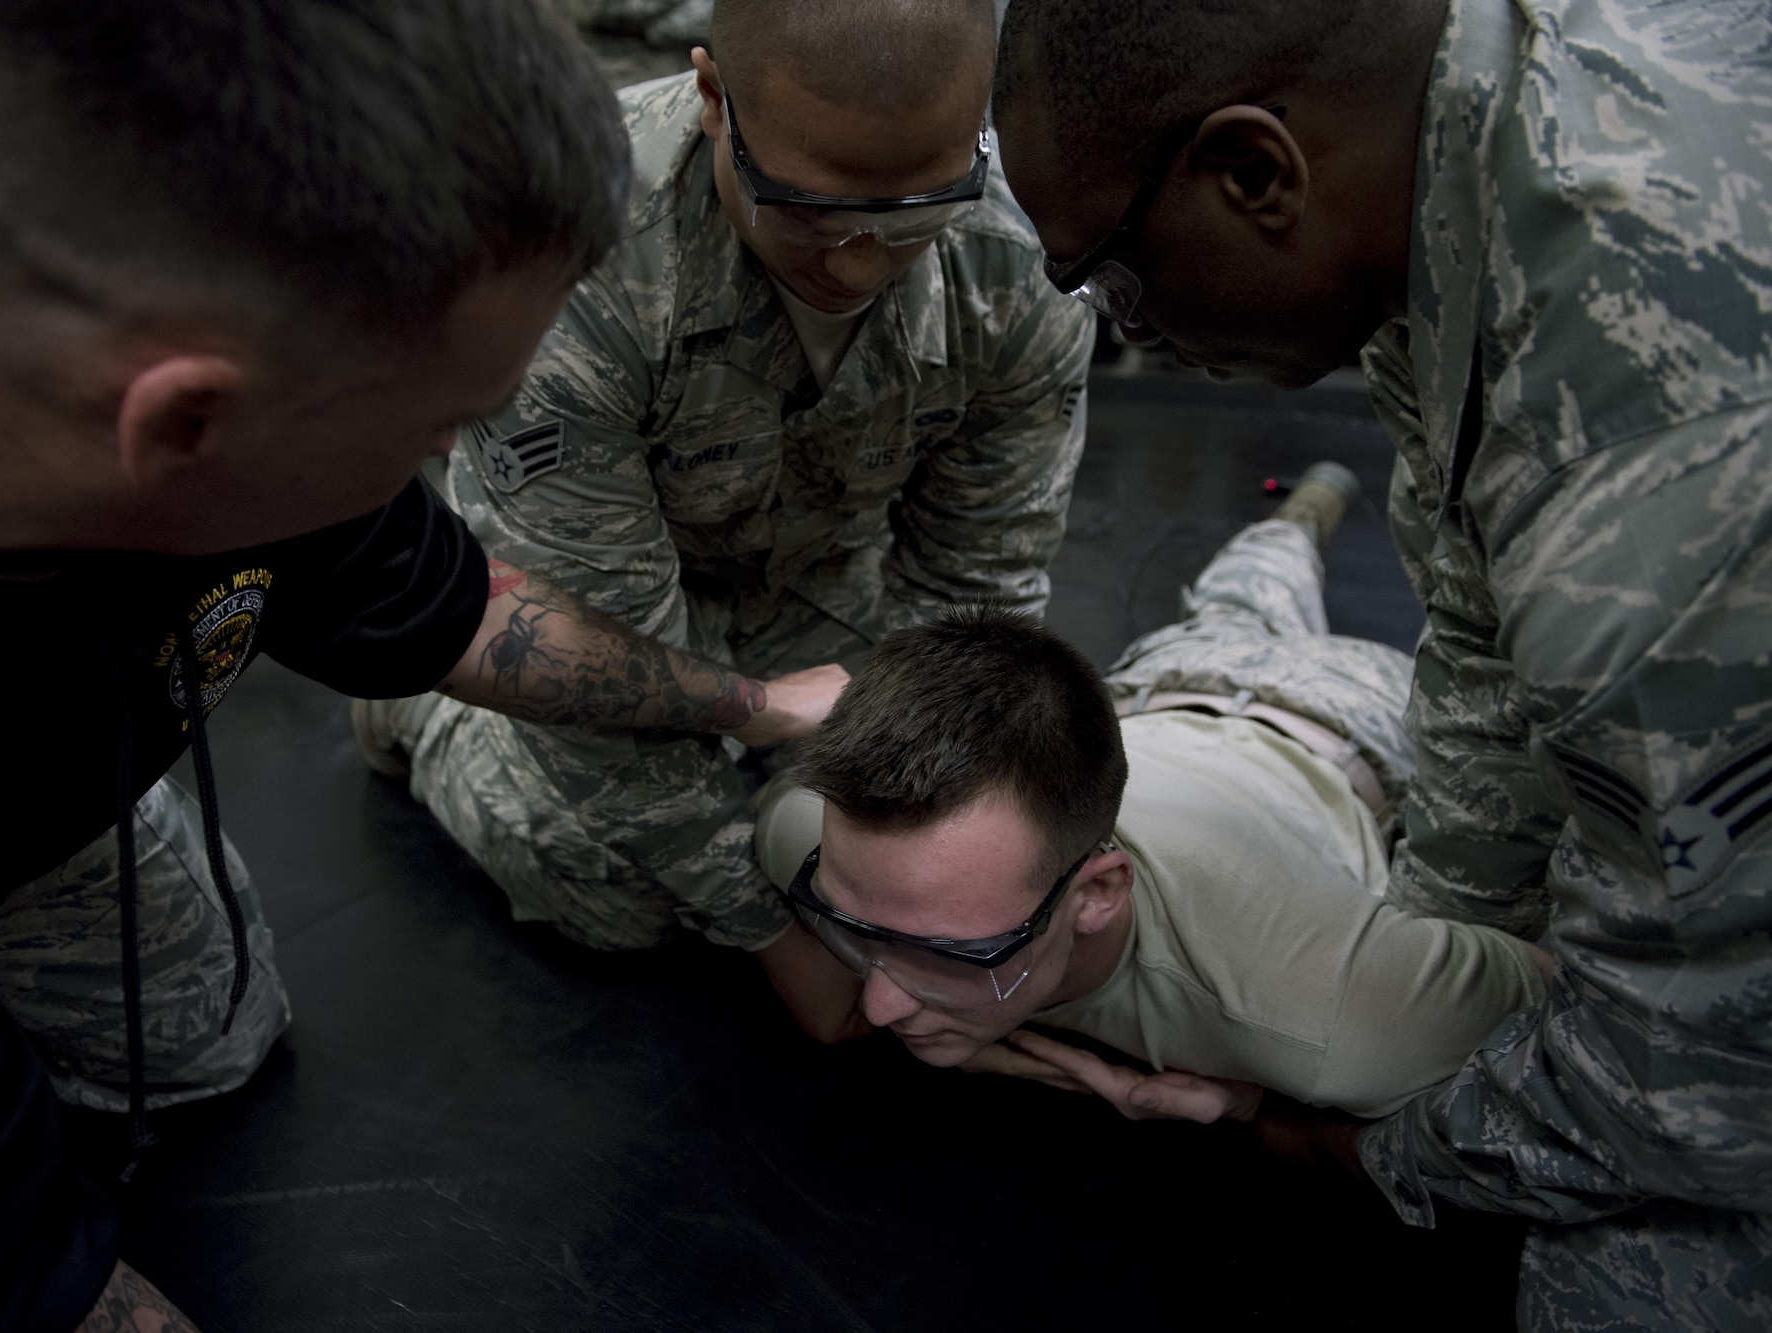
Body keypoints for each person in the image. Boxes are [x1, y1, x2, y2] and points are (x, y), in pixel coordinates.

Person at [0, 1, 850, 1328]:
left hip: (29, 772)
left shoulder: (102, 260)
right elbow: (1, 1274)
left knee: (203, 1045)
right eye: (431, 431)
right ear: (180, 423)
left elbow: (451, 612)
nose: (432, 467)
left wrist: (750, 700)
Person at [990, 0, 1772, 1326]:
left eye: (1109, 274)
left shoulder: (1655, 477)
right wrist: (1442, 955)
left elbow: (1700, 1074)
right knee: (1265, 574)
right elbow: (1473, 615)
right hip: (1248, 685)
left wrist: (1375, 1150)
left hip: (1336, 714)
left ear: (1253, 174)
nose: (1127, 323)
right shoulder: (1449, 174)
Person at [353, 0, 1095, 1027]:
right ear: (713, 99)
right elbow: (602, 649)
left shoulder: (1019, 269)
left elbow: (974, 601)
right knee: (615, 897)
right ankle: (423, 707)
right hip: (589, 613)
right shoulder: (569, 261)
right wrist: (769, 929)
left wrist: (927, 835)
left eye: (912, 213)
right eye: (806, 209)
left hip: (817, 601)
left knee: (914, 859)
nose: (853, 263)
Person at [755, 467, 1552, 1121]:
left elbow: (1589, 1004)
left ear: (1097, 892)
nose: (882, 1001)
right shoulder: (817, 842)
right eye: (855, 926)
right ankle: (1309, 505)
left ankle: (1321, 502)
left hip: (1346, 712)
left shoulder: (1344, 1013)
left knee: (1490, 663)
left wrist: (1264, 1119)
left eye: (949, 952)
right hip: (1165, 678)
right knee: (1246, 581)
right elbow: (782, 821)